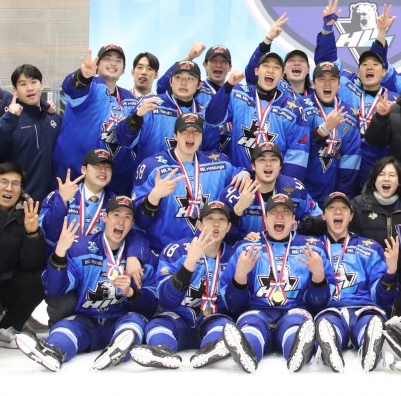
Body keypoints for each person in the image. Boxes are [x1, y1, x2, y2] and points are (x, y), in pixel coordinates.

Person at [16, 196, 160, 372]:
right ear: (105, 217)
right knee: (67, 326)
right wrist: (59, 253)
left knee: (135, 323)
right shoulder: (80, 248)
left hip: (120, 318)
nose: (121, 222)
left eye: (127, 217)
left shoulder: (142, 257)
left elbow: (151, 305)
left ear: (133, 223)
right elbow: (55, 289)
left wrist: (131, 293)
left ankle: (118, 349)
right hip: (87, 320)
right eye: (116, 215)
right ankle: (52, 352)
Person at [223, 192, 335, 373]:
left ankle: (297, 351)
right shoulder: (246, 249)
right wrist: (240, 278)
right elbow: (233, 306)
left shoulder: (313, 249)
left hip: (295, 311)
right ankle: (248, 351)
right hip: (256, 311)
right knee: (251, 325)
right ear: (265, 219)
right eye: (274, 212)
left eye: (286, 212)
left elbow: (319, 304)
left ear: (294, 220)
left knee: (296, 325)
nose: (280, 216)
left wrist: (318, 278)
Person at [143, 200, 242, 369]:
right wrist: (189, 263)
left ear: (228, 226)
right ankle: (162, 350)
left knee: (225, 325)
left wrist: (240, 278)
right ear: (199, 224)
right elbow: (166, 299)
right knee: (158, 324)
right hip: (177, 318)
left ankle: (210, 349)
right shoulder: (177, 250)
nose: (216, 224)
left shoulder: (234, 256)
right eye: (210, 218)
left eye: (221, 219)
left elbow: (236, 305)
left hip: (211, 320)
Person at [313, 192, 398, 371]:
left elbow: (383, 300)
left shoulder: (370, 248)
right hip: (329, 308)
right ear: (323, 215)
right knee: (328, 323)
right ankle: (331, 344)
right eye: (332, 208)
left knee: (370, 321)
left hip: (362, 308)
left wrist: (390, 272)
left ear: (351, 216)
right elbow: (309, 296)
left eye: (343, 208)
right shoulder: (312, 248)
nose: (338, 212)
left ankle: (369, 342)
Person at [134, 113, 239, 252]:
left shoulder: (221, 164)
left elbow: (240, 174)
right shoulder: (152, 167)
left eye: (196, 131)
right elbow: (139, 222)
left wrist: (244, 173)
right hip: (164, 254)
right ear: (175, 135)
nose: (191, 136)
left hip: (207, 254)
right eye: (185, 131)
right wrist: (153, 197)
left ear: (202, 136)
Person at [204, 48, 311, 180]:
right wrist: (228, 86)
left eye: (276, 67)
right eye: (266, 66)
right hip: (239, 180)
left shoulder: (294, 110)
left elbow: (297, 156)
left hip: (273, 185)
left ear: (282, 74)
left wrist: (281, 186)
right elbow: (211, 119)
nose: (270, 70)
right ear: (256, 71)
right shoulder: (238, 93)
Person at [56, 46, 137, 194]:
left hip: (112, 177)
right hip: (74, 173)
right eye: (107, 59)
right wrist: (83, 76)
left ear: (124, 70)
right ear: (97, 65)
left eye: (118, 60)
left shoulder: (130, 99)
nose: (113, 63)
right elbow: (71, 88)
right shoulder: (89, 87)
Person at [0, 163, 47, 346]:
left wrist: (32, 233)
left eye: (15, 184)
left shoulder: (25, 213)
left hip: (3, 283)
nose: (9, 189)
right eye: (3, 182)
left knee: (41, 277)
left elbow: (31, 264)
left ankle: (7, 327)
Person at [0, 64, 61, 199]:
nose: (30, 88)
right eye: (23, 84)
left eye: (34, 82)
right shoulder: (10, 119)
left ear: (41, 85)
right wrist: (10, 118)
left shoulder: (54, 119)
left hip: (51, 201)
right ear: (15, 90)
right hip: (20, 202)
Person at [226, 140, 322, 238]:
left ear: (280, 165)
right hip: (248, 246)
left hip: (285, 246)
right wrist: (237, 211)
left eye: (274, 160)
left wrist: (303, 227)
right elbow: (222, 235)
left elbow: (320, 219)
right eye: (262, 160)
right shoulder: (235, 192)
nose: (268, 164)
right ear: (253, 166)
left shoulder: (295, 188)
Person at [299, 61, 364, 198]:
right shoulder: (300, 108)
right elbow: (298, 149)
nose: (327, 84)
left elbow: (351, 160)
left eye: (332, 79)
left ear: (339, 84)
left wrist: (341, 197)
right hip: (303, 191)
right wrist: (324, 130)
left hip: (333, 194)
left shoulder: (349, 114)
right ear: (313, 84)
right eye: (322, 79)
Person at [349, 157, 401, 242]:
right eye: (381, 174)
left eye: (392, 175)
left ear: (399, 182)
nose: (386, 178)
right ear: (374, 180)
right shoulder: (358, 205)